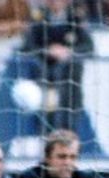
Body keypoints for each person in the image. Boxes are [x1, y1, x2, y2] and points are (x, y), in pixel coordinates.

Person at [19, 0, 94, 133]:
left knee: (69, 122)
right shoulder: (38, 17)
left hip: (70, 84)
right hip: (44, 78)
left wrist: (69, 52)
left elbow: (88, 47)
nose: (55, 2)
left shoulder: (76, 18)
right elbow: (27, 47)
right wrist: (48, 51)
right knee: (46, 122)